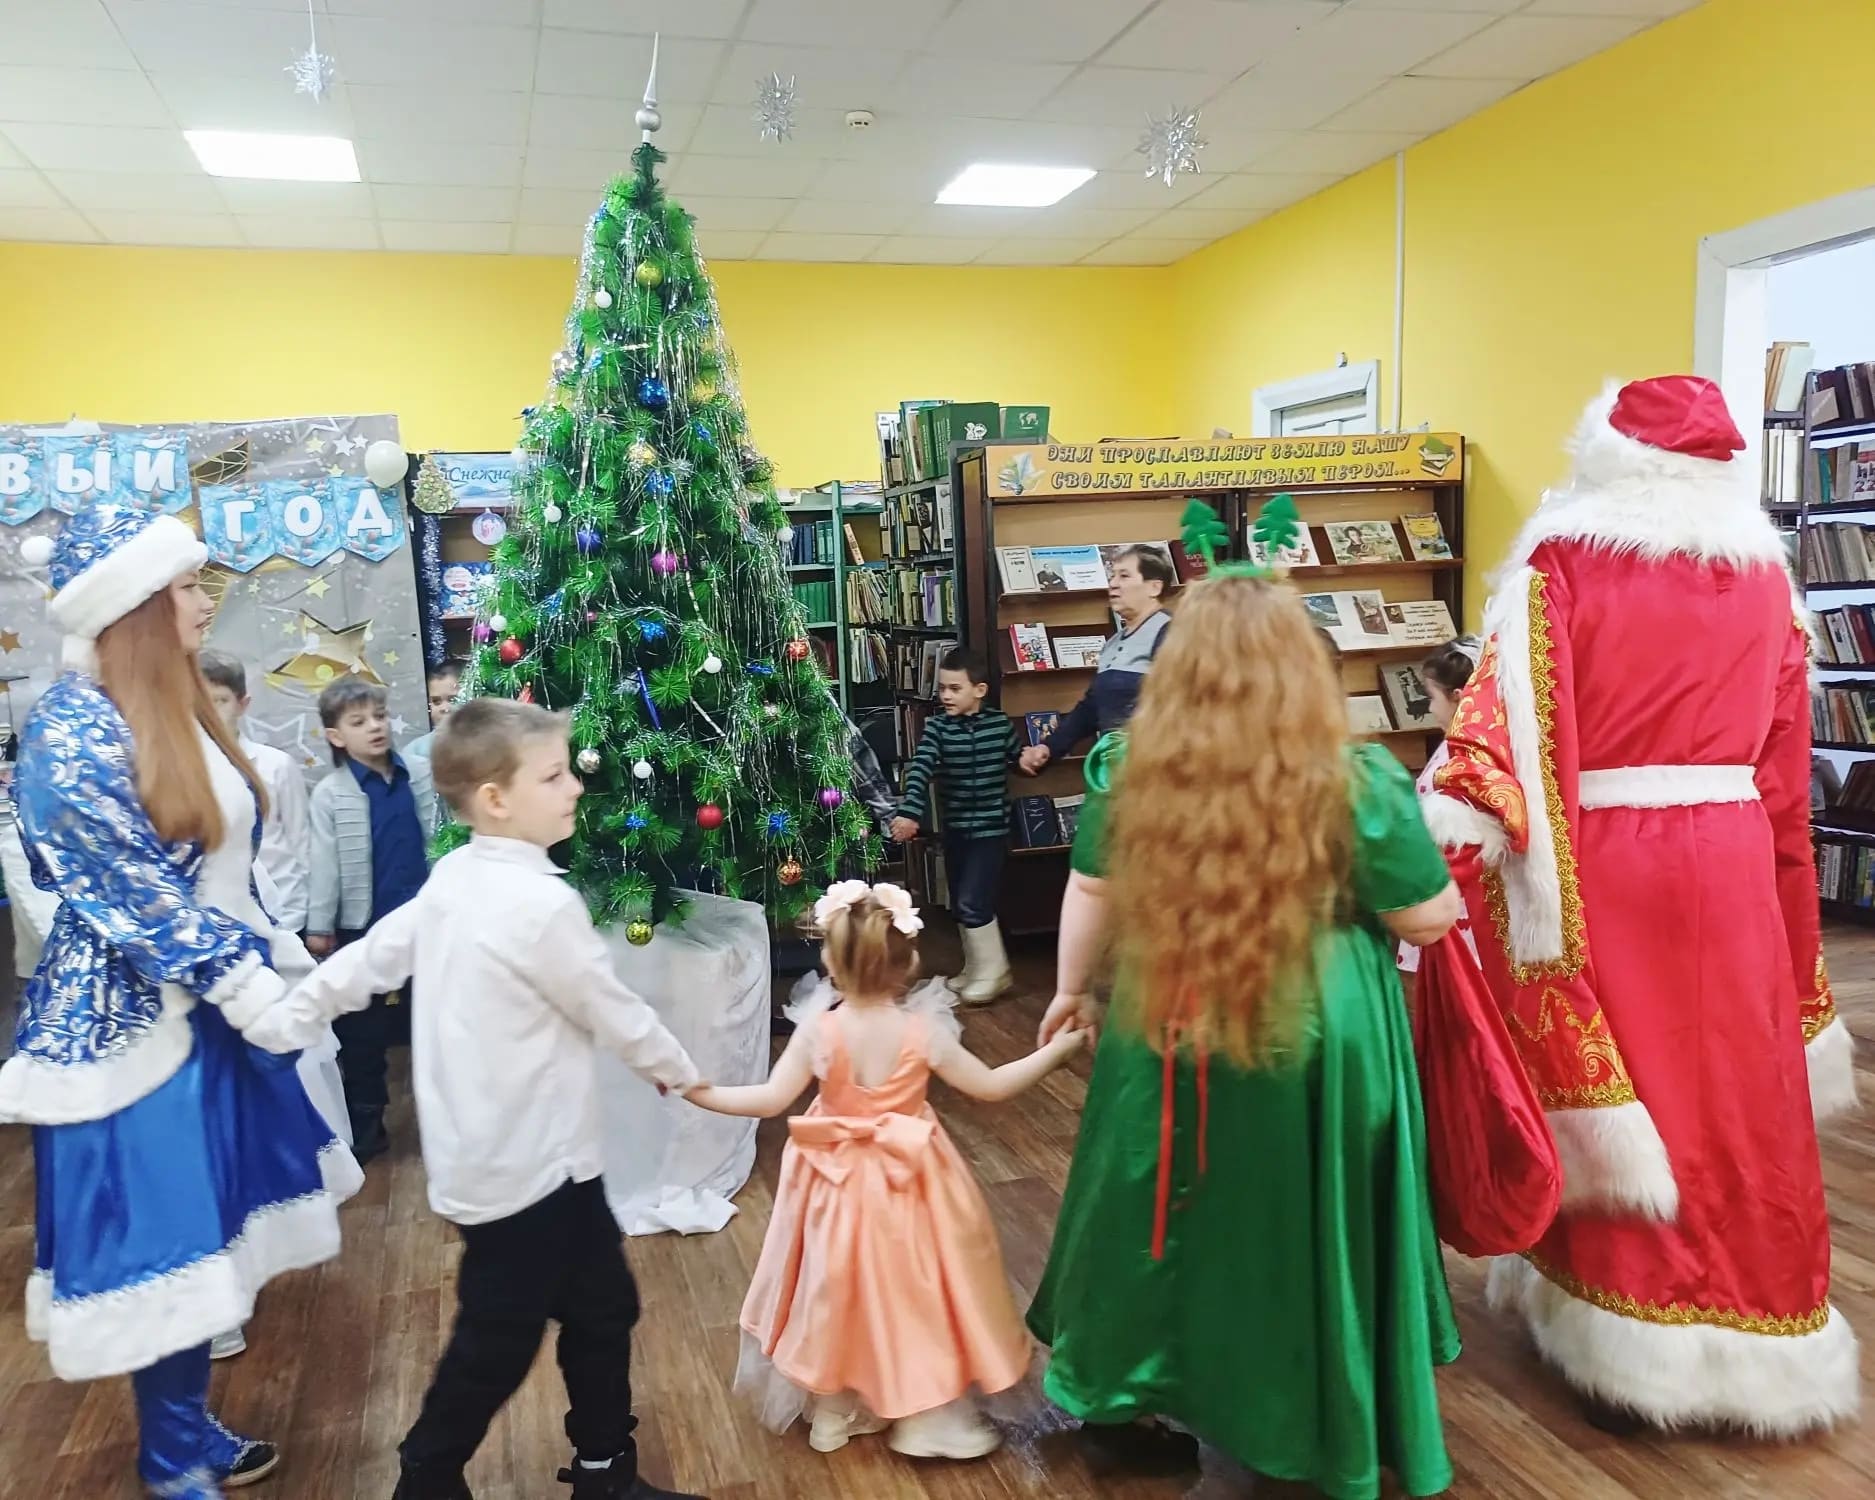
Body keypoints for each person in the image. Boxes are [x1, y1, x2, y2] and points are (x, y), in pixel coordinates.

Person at [1419, 375, 1859, 1434]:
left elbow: (1500, 740)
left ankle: (1624, 1319)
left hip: (1608, 861)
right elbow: (1785, 775)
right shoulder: (1770, 581)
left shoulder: (1560, 564)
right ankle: (1761, 1326)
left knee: (1635, 1075)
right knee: (1739, 1087)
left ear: (1605, 455)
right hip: (1733, 858)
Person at [1026, 571, 1463, 1498]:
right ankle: (1303, 1416)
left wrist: (1067, 990)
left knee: (1150, 1194)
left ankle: (1123, 1391)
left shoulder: (1130, 768)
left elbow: (1092, 885)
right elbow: (1425, 920)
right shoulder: (1355, 782)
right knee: (1294, 1219)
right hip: (1314, 1029)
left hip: (1166, 1011)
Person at [255, 697, 704, 1500]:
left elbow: (369, 960)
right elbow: (609, 1007)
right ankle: (426, 1476)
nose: (575, 788)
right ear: (495, 799)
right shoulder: (538, 904)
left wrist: (290, 1015)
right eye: (553, 776)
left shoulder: (455, 876)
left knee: (603, 1306)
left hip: (539, 1161)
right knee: (498, 1339)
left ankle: (604, 1469)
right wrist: (681, 1071)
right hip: (521, 1171)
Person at [0, 504, 359, 1498]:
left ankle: (185, 1430)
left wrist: (273, 964)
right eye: (188, 586)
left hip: (209, 1018)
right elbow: (128, 894)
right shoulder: (71, 730)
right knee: (161, 1253)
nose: (205, 600)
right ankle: (170, 1465)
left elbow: (224, 868)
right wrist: (250, 985)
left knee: (209, 1246)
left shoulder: (178, 704)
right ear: (133, 605)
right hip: (129, 1039)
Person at [687, 880, 1083, 1460]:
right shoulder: (922, 1032)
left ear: (830, 961)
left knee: (836, 1289)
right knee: (911, 1291)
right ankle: (922, 1413)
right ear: (909, 961)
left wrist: (700, 1092)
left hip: (832, 1182)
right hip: (911, 1179)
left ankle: (834, 1410)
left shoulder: (820, 1030)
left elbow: (769, 1100)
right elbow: (991, 1087)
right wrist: (1057, 1052)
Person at [307, 675, 438, 1160]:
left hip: (426, 922)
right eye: (358, 722)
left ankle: (451, 1122)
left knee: (436, 1021)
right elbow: (324, 865)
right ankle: (367, 1124)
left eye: (379, 716)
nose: (375, 727)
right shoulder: (331, 793)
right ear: (336, 736)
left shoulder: (420, 774)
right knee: (361, 1035)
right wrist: (320, 927)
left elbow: (442, 834)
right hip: (364, 929)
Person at [889, 648, 1018, 1004]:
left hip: (990, 832)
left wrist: (1034, 757)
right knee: (960, 902)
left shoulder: (999, 725)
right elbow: (920, 769)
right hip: (956, 831)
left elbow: (1016, 758)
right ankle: (976, 968)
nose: (945, 695)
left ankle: (995, 972)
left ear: (979, 690)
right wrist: (910, 811)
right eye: (942, 688)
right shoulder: (938, 730)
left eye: (955, 688)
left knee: (973, 901)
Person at [1018, 545, 1172, 774]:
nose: (1113, 583)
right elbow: (1093, 706)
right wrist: (1048, 748)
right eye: (1112, 575)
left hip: (1160, 770)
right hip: (1118, 770)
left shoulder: (1172, 632)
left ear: (1154, 587)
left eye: (1124, 576)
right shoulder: (1113, 643)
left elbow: (1179, 706)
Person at [199, 650, 311, 936]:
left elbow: (303, 844)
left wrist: (313, 920)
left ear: (242, 704)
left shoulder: (276, 765)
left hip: (285, 913)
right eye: (199, 703)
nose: (209, 713)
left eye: (220, 701)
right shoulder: (186, 773)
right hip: (223, 924)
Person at [1397, 636, 1483, 976]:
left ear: (1458, 697)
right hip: (1444, 888)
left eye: (1432, 697)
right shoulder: (1456, 744)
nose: (1430, 709)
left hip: (1458, 895)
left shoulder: (1469, 758)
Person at [406, 660, 461, 761]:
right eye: (436, 701)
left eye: (453, 700)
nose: (444, 708)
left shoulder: (486, 745)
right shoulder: (415, 752)